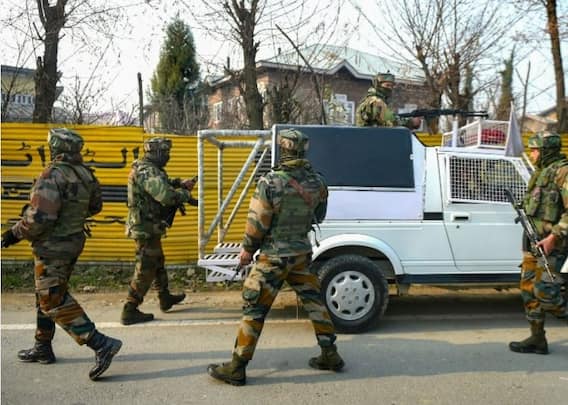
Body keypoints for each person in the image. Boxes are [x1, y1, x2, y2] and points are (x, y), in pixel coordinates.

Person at [207, 129, 344, 386]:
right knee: (315, 302)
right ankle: (330, 354)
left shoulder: (270, 182)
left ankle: (237, 367)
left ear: (283, 150)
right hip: (301, 254)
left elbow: (257, 222)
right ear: (303, 150)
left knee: (254, 306)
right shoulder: (318, 182)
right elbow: (319, 216)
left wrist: (248, 250)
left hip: (273, 257)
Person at [0, 128, 122, 381]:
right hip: (73, 242)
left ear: (55, 148)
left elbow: (38, 219)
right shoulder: (86, 174)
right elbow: (96, 207)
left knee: (51, 300)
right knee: (46, 293)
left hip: (52, 247)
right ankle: (42, 346)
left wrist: (13, 234)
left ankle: (100, 343)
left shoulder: (52, 175)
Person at [121, 136, 198, 325]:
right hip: (144, 227)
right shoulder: (146, 171)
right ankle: (130, 309)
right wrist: (185, 194)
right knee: (146, 266)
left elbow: (162, 183)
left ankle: (164, 297)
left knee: (157, 262)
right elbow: (165, 196)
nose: (167, 156)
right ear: (154, 153)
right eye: (164, 152)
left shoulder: (152, 169)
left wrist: (179, 183)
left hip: (150, 225)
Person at [509, 131, 567, 355]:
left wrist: (554, 237)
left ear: (547, 151)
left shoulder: (563, 172)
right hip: (533, 243)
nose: (532, 154)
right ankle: (537, 338)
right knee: (528, 291)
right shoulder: (540, 173)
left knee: (546, 293)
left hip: (554, 245)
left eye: (535, 150)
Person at [355, 72, 420, 129]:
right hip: (371, 137)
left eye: (391, 86)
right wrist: (411, 122)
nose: (390, 88)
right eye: (387, 85)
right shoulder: (375, 101)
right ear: (378, 85)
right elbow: (389, 119)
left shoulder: (371, 99)